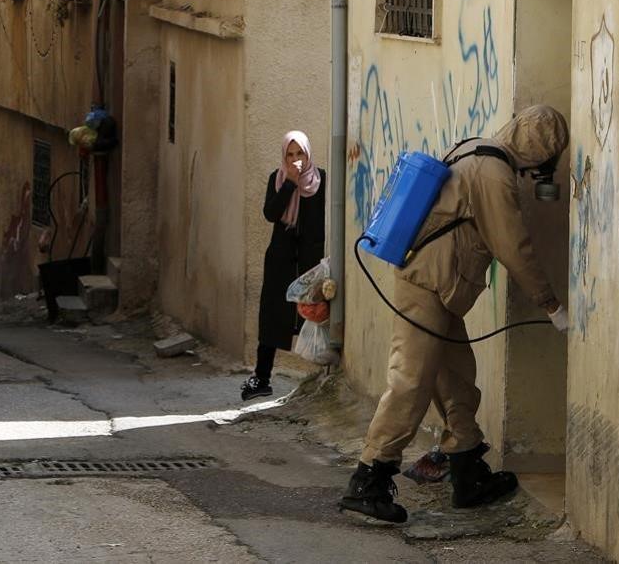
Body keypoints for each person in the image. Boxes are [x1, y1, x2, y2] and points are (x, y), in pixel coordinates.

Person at [340, 105, 570, 523]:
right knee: (411, 382)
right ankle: (368, 479)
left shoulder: (474, 148)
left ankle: (467, 472)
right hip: (428, 286)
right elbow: (513, 247)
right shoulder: (494, 175)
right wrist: (550, 303)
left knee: (456, 379)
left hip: (436, 286)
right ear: (540, 154)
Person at [241, 131, 326, 401]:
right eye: (290, 155)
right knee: (272, 316)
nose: (295, 160)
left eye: (299, 154)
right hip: (280, 258)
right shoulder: (277, 180)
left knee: (315, 315)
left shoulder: (321, 181)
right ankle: (262, 378)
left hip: (310, 261)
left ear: (308, 154)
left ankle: (325, 374)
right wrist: (289, 184)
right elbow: (270, 214)